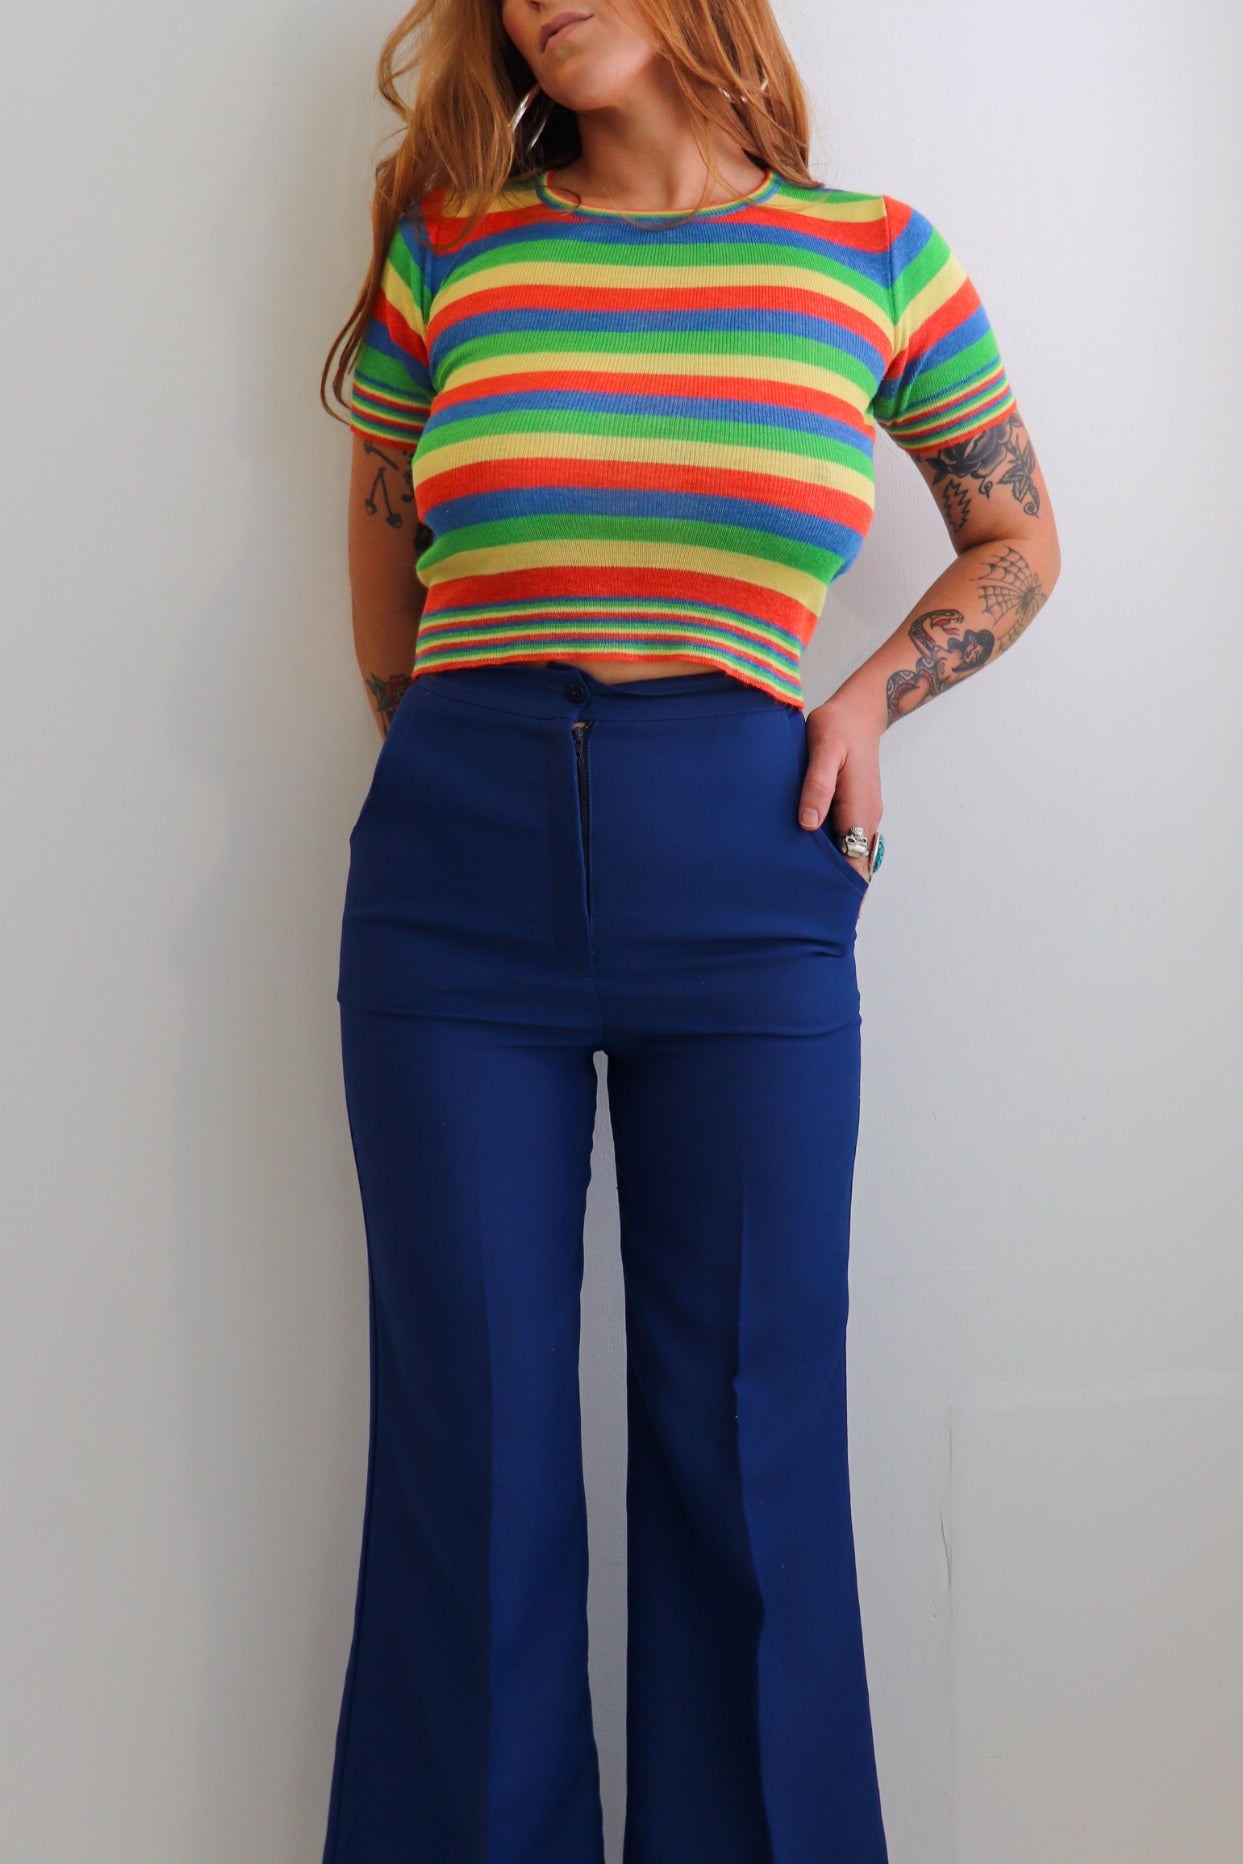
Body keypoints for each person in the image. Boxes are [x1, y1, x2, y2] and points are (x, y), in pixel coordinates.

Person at [317, 0, 1061, 1858]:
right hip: (458, 870)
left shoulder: (872, 256)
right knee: (472, 1446)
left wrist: (869, 696)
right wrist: (457, 777)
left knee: (754, 1436)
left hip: (747, 859)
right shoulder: (453, 249)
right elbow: (386, 565)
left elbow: (1019, 542)